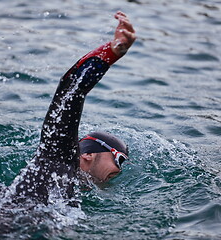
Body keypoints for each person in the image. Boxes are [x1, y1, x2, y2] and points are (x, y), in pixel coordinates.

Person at [14, 11, 136, 205]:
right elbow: (70, 92)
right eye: (118, 159)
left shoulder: (73, 192)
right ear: (88, 154)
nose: (120, 170)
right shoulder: (57, 159)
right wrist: (111, 53)